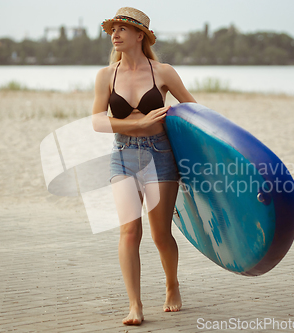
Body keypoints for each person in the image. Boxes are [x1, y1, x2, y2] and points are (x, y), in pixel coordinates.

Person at [91, 7, 196, 325]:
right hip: (122, 155)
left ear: (141, 35)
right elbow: (97, 121)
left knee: (160, 234)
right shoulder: (106, 76)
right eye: (113, 29)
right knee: (128, 231)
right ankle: (135, 305)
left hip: (160, 155)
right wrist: (136, 125)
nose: (116, 34)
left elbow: (192, 110)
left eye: (123, 28)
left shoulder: (163, 72)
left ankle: (172, 284)